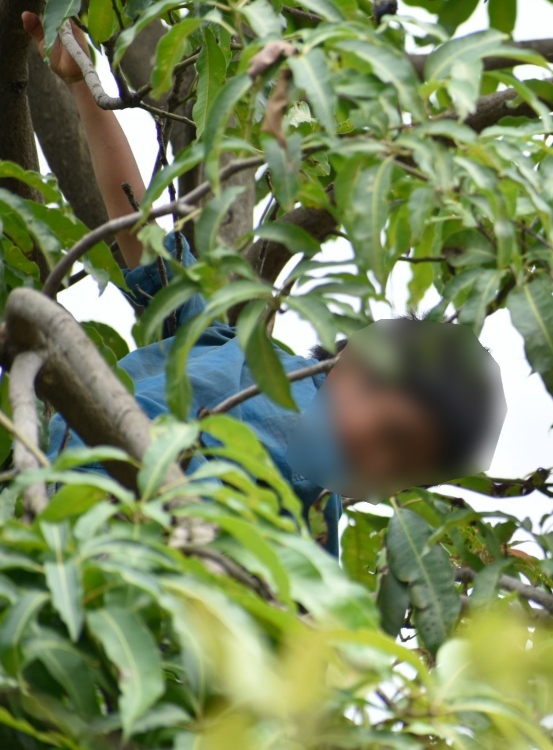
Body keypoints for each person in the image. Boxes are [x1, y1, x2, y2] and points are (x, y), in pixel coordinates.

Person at [23, 14, 507, 556]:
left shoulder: (314, 533)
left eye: (403, 474)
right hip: (43, 466)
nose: (380, 471)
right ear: (352, 368)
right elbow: (145, 237)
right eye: (392, 437)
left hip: (95, 562)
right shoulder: (238, 349)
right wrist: (83, 89)